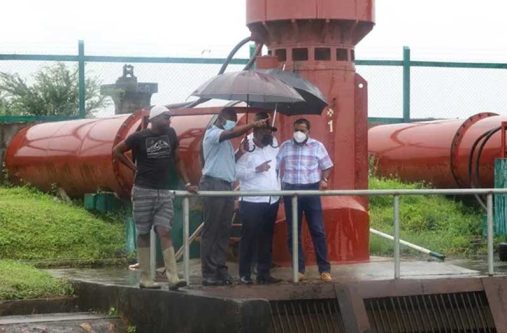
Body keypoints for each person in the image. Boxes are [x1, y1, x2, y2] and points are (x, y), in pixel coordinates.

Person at [113, 105, 198, 290]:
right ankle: (145, 278)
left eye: (170, 118)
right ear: (156, 118)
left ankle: (173, 277)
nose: (170, 121)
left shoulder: (171, 134)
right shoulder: (139, 137)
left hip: (164, 191)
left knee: (164, 230)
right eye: (166, 117)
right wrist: (133, 167)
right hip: (143, 190)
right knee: (144, 233)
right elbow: (117, 151)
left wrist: (188, 183)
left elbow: (177, 159)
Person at [200, 107, 268, 286]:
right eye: (230, 120)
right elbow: (230, 133)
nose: (232, 124)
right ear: (221, 119)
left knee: (223, 230)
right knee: (211, 230)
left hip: (226, 185)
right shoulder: (213, 134)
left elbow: (229, 163)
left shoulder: (226, 143)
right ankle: (208, 272)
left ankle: (220, 269)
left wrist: (240, 152)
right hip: (213, 184)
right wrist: (252, 124)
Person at [276, 118, 333, 282]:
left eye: (302, 130)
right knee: (293, 232)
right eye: (296, 130)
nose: (298, 133)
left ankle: (324, 270)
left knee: (317, 230)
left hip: (311, 190)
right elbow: (275, 165)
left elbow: (327, 165)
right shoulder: (285, 146)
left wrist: (324, 180)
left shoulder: (317, 146)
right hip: (291, 191)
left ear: (309, 131)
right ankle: (299, 270)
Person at [236, 112, 282, 285]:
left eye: (270, 131)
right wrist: (256, 169)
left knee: (267, 237)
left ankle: (264, 273)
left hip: (272, 199)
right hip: (252, 200)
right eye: (265, 131)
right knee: (249, 237)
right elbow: (236, 172)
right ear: (255, 131)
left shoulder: (274, 144)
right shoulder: (245, 146)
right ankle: (244, 274)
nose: (269, 134)